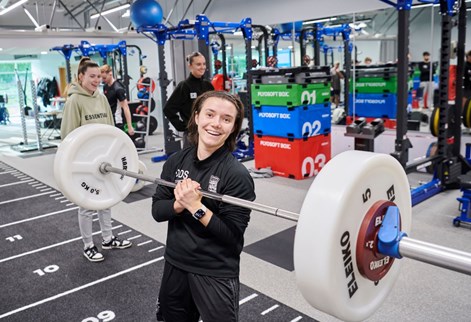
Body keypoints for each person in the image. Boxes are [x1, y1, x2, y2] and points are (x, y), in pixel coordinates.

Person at [152, 90, 256, 322]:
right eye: (210, 114)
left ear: (232, 128)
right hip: (175, 262)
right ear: (197, 117)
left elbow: (232, 237)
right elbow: (158, 211)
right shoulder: (175, 161)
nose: (216, 124)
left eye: (226, 119)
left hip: (214, 270)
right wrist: (180, 204)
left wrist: (196, 207)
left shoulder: (237, 175)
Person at [61, 58, 132, 262]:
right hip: (83, 164)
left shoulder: (101, 98)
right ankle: (88, 245)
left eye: (99, 77)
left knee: (105, 200)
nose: (96, 80)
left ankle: (108, 239)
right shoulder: (74, 100)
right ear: (81, 76)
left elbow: (110, 130)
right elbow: (68, 136)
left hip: (103, 160)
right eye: (92, 76)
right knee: (86, 205)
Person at [163, 52, 214, 148]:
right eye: (198, 64)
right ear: (190, 66)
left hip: (209, 132)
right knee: (191, 162)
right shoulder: (184, 86)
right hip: (192, 135)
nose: (202, 67)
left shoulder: (208, 86)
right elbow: (168, 109)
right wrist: (183, 126)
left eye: (204, 64)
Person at [100, 64, 135, 137]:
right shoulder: (105, 87)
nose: (103, 80)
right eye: (102, 78)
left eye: (104, 78)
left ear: (110, 74)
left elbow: (126, 107)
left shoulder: (118, 89)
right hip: (108, 120)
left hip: (117, 121)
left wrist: (129, 126)